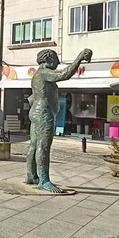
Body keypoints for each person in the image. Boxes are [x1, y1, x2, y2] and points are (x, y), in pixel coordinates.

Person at [26, 48, 93, 193]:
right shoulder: (44, 73)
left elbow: (33, 97)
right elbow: (64, 74)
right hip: (43, 113)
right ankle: (44, 181)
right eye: (56, 59)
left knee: (34, 144)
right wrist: (79, 58)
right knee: (43, 146)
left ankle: (31, 175)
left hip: (36, 111)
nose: (57, 62)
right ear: (48, 59)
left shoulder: (38, 75)